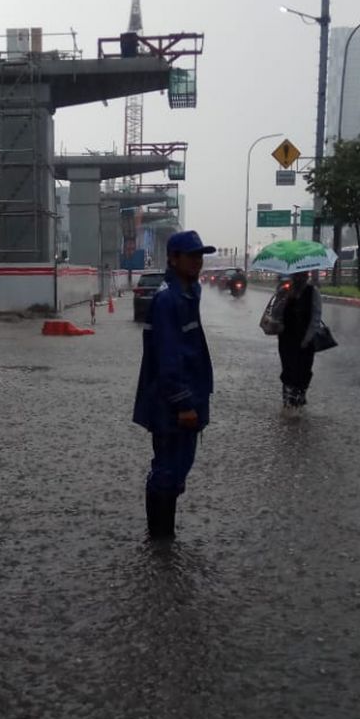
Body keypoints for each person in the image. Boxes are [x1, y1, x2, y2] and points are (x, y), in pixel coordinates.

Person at [132, 230, 215, 540]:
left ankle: (162, 539)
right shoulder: (169, 299)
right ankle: (160, 540)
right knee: (168, 471)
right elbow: (168, 358)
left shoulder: (187, 293)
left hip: (185, 399)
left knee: (177, 469)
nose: (197, 261)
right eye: (191, 255)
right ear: (173, 258)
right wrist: (183, 404)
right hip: (172, 405)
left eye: (200, 255)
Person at [278, 271, 321, 409]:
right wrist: (281, 296)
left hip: (305, 341)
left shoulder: (313, 292)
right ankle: (288, 401)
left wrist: (307, 339)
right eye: (296, 276)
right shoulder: (284, 290)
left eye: (302, 276)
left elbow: (316, 317)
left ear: (306, 277)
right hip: (286, 339)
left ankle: (300, 396)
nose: (299, 279)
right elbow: (276, 312)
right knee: (288, 370)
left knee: (304, 371)